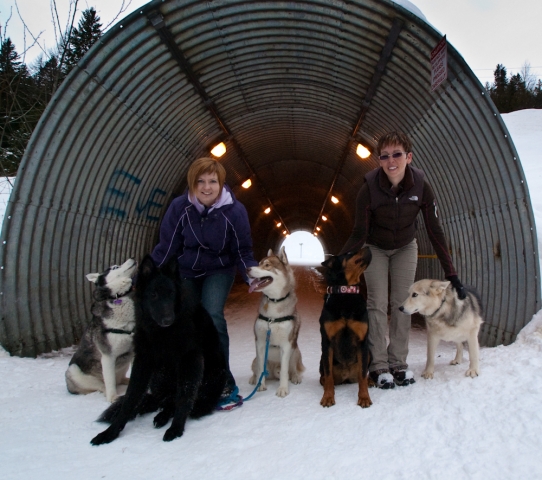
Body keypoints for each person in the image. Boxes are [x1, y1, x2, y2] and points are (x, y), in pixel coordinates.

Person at [341, 131, 465, 389]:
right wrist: (341, 264)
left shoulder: (421, 187)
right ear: (379, 161)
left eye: (397, 154)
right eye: (384, 156)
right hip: (374, 247)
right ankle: (378, 365)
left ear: (408, 157)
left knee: (404, 303)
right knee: (377, 303)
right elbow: (358, 232)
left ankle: (398, 362)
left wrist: (451, 273)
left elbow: (435, 230)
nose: (391, 161)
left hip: (405, 247)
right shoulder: (368, 189)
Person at [151, 157, 258, 404]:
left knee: (211, 315)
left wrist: (250, 275)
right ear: (192, 183)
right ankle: (185, 376)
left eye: (212, 181)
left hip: (220, 269)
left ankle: (222, 379)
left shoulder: (234, 211)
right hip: (187, 270)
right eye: (200, 181)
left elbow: (243, 250)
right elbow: (167, 247)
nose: (206, 187)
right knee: (183, 319)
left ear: (221, 184)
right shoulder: (180, 208)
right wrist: (147, 277)